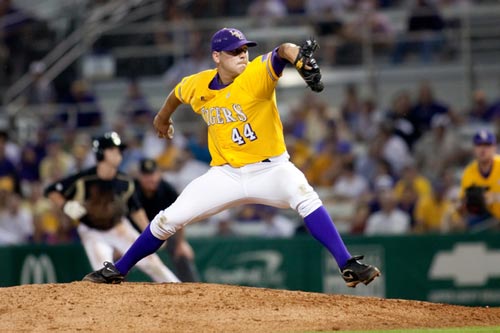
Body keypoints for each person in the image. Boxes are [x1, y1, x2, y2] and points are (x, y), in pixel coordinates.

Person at [83, 27, 380, 288]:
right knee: (167, 219)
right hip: (225, 174)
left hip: (271, 169)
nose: (243, 55)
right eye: (234, 51)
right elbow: (177, 93)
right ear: (216, 57)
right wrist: (162, 118)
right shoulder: (199, 84)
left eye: (244, 49)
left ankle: (346, 265)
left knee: (306, 197)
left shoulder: (255, 75)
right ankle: (118, 270)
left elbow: (282, 51)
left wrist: (299, 59)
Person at [45, 131, 179, 283]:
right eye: (113, 150)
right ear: (101, 153)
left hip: (118, 227)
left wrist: (153, 231)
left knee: (154, 264)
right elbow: (52, 191)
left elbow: (135, 209)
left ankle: (180, 291)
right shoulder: (84, 179)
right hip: (92, 231)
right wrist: (68, 206)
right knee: (104, 276)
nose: (119, 153)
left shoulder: (124, 181)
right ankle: (113, 306)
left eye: (119, 150)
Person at [133, 158, 200, 282]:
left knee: (182, 253)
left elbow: (180, 216)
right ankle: (116, 290)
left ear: (159, 174)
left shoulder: (167, 189)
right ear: (139, 176)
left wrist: (181, 243)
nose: (150, 179)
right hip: (134, 231)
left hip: (163, 231)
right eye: (146, 175)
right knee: (120, 255)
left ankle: (192, 287)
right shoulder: (133, 189)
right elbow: (133, 215)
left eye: (153, 174)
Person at [458, 129, 500, 231]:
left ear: (495, 148)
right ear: (474, 149)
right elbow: (464, 204)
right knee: (457, 223)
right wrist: (466, 205)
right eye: (479, 145)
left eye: (487, 145)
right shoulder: (469, 172)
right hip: (487, 217)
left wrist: (494, 197)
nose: (483, 149)